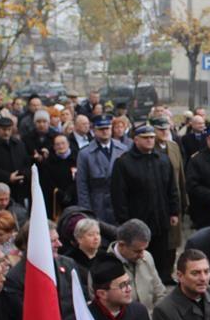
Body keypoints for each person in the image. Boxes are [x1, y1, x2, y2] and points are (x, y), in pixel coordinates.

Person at [110, 123, 179, 280]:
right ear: (136, 140)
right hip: (137, 216)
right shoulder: (124, 162)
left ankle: (161, 280)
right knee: (139, 252)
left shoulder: (162, 159)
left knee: (162, 251)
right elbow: (119, 194)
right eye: (145, 138)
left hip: (161, 215)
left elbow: (171, 187)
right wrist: (123, 220)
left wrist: (174, 211)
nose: (150, 141)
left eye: (152, 138)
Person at [75, 115, 127, 225]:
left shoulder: (122, 149)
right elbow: (82, 184)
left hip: (119, 201)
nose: (105, 132)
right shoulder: (85, 153)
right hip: (98, 202)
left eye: (107, 128)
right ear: (94, 131)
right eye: (101, 129)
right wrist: (86, 211)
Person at [107, 219, 168, 308]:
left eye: (144, 249)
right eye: (137, 251)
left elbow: (160, 292)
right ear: (122, 245)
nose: (142, 255)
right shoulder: (104, 267)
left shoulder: (147, 257)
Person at [0, 116, 32, 204]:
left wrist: (23, 174)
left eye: (9, 129)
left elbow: (26, 162)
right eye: (3, 129)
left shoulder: (18, 144)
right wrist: (7, 176)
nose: (6, 132)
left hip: (19, 188)